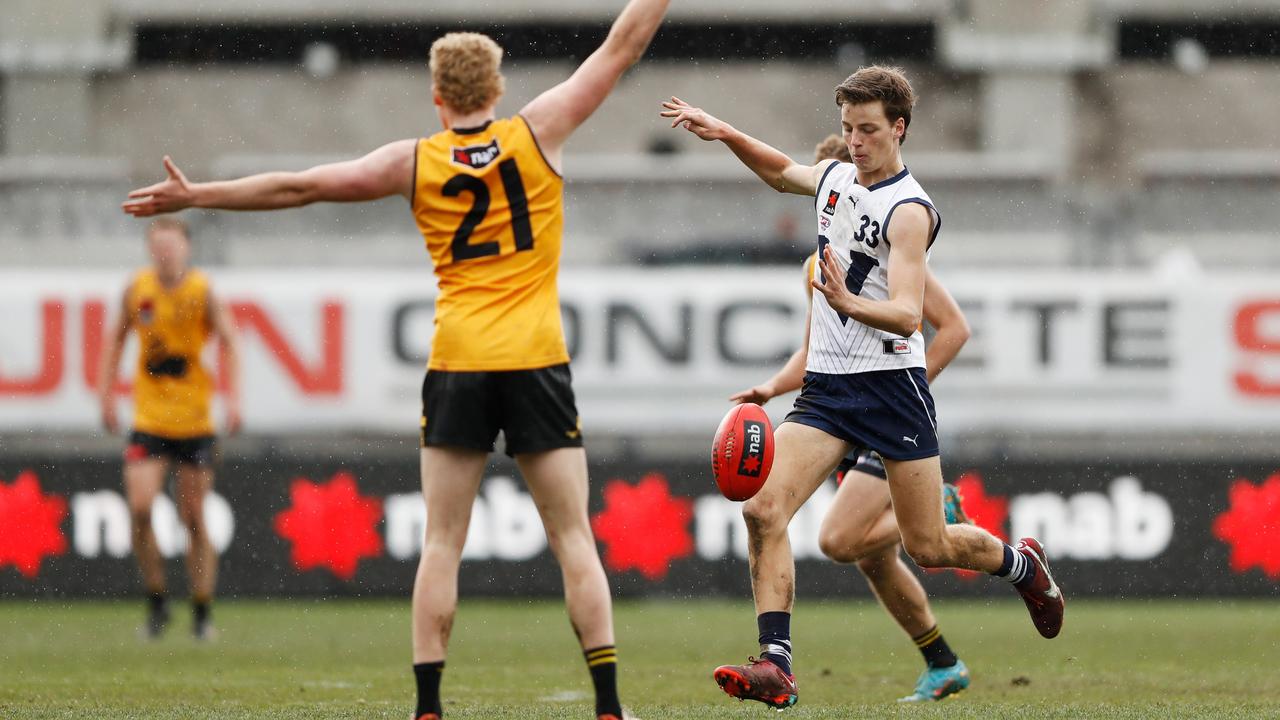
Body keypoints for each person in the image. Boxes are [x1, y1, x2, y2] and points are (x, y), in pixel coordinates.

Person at [122, 4, 671, 718]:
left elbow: (300, 186)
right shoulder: (540, 130)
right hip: (536, 361)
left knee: (442, 541)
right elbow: (623, 44)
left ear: (437, 97)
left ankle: (428, 708)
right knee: (572, 537)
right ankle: (606, 706)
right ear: (497, 89)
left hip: (458, 363)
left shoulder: (413, 161)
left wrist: (201, 196)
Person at [662, 66, 1064, 710]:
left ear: (899, 128)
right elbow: (778, 171)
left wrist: (846, 301)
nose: (855, 142)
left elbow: (909, 315)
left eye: (868, 130)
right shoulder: (837, 178)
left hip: (891, 391)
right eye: (848, 128)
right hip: (827, 392)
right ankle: (776, 664)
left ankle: (1021, 566)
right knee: (763, 511)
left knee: (928, 546)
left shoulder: (909, 211)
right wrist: (724, 132)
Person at [727, 134, 975, 703]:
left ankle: (936, 507)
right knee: (874, 558)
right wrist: (768, 388)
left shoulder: (890, 231)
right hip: (838, 403)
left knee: (841, 539)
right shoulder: (819, 259)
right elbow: (816, 347)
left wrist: (902, 392)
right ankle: (942, 660)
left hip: (886, 407)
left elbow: (951, 328)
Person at [98, 216, 242, 641]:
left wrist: (233, 400)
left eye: (172, 245)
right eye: (158, 245)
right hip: (149, 418)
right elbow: (114, 339)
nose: (165, 252)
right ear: (150, 249)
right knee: (140, 509)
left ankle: (201, 611)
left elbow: (231, 340)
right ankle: (157, 599)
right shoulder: (137, 289)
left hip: (195, 419)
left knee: (194, 517)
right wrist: (106, 396)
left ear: (187, 248)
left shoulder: (202, 291)